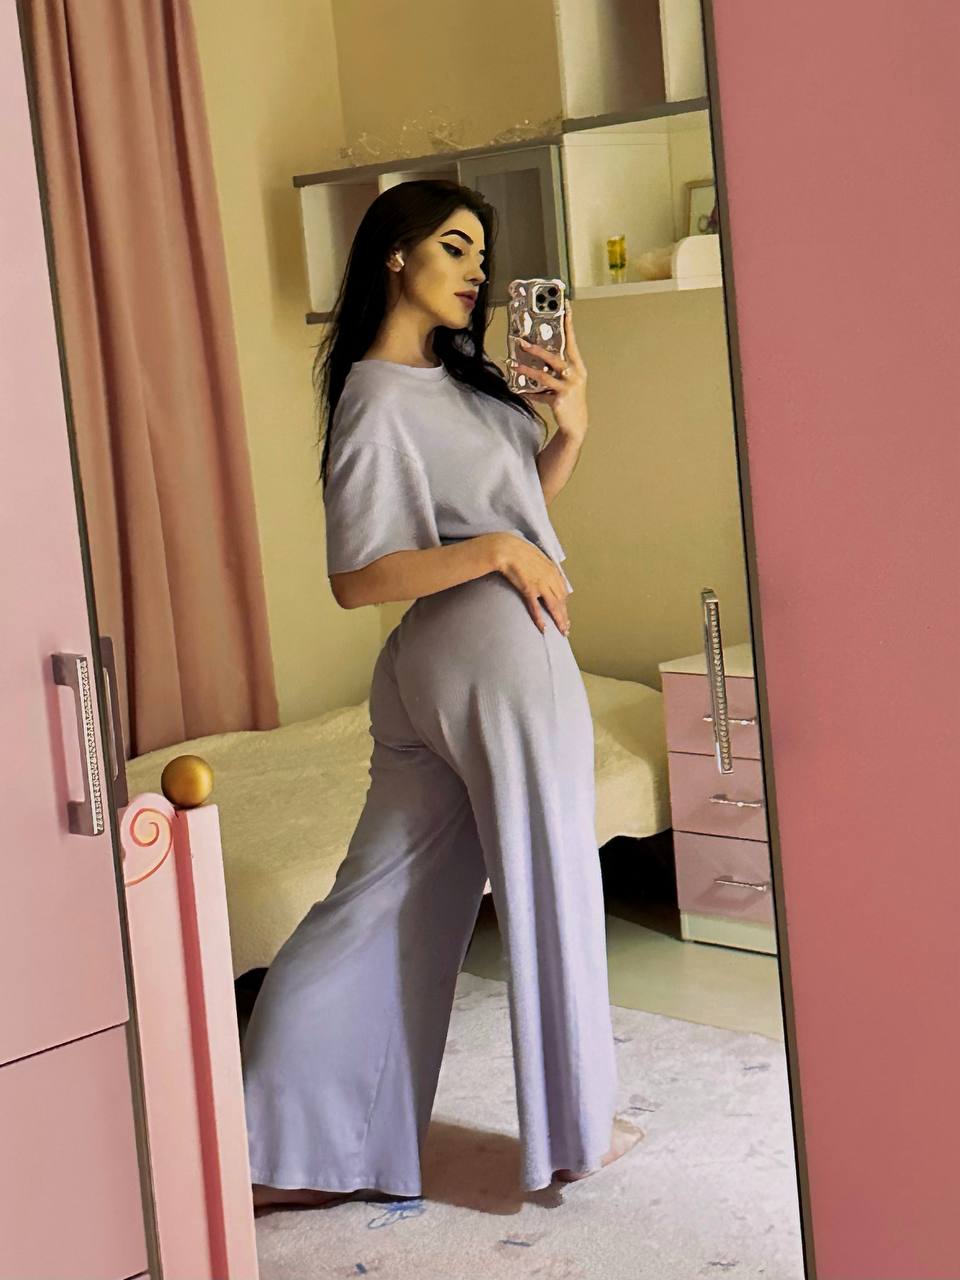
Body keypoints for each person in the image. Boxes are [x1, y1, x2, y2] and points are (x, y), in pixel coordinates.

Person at [243, 179, 643, 1211]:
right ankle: (577, 1130)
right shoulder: (377, 394)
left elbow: (510, 513)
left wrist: (570, 431)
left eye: (482, 253)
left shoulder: (460, 381)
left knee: (376, 895)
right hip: (492, 653)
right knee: (550, 875)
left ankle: (281, 1145)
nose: (478, 269)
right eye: (455, 247)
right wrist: (500, 550)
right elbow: (358, 577)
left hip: (446, 659)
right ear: (394, 254)